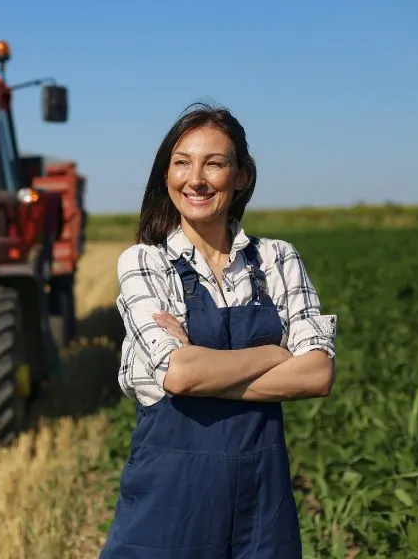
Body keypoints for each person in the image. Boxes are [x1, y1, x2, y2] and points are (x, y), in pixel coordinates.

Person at [99, 103, 337, 559]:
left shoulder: (278, 259)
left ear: (242, 176)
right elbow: (181, 375)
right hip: (168, 501)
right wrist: (274, 353)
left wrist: (202, 371)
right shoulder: (146, 261)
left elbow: (316, 375)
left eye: (215, 163)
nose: (197, 179)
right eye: (182, 162)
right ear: (165, 174)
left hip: (261, 504)